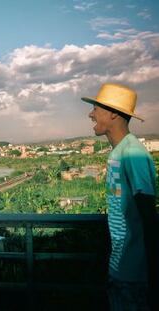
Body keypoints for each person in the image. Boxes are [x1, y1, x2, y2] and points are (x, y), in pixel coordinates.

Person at [81, 83, 158, 310]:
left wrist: (154, 275)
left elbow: (148, 215)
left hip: (134, 273)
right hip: (121, 267)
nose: (90, 114)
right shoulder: (119, 152)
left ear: (113, 113)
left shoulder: (133, 153)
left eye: (96, 108)